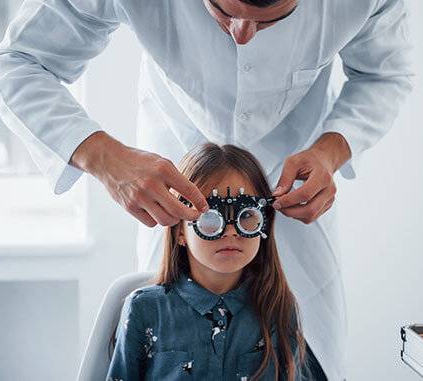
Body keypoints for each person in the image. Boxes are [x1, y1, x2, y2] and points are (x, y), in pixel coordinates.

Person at [0, 0, 413, 378]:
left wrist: (332, 150)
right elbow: (14, 64)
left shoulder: (289, 311)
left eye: (268, 21)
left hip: (298, 209)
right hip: (172, 166)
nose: (243, 36)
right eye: (222, 11)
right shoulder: (144, 314)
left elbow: (385, 74)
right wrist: (104, 158)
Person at [106, 142, 327, 381]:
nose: (230, 232)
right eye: (210, 218)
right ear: (180, 231)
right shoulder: (145, 310)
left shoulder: (278, 309)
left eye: (247, 217)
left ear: (263, 224)